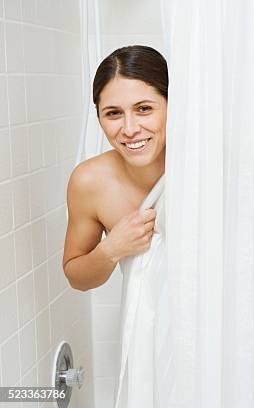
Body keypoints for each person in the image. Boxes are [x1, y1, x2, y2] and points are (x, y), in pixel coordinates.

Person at [63, 46, 168, 291]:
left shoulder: (208, 166)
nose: (130, 129)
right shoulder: (90, 182)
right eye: (113, 113)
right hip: (146, 324)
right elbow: (77, 278)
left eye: (144, 109)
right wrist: (111, 249)